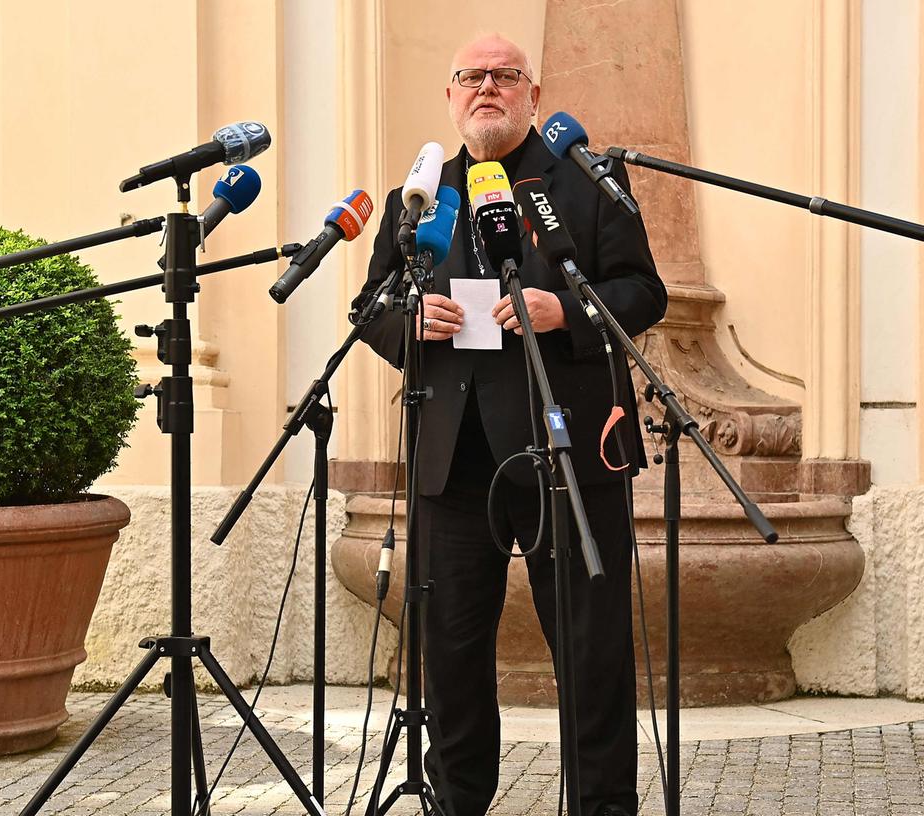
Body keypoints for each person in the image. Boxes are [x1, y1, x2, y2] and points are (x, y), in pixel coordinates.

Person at [355, 33, 666, 816]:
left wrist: (566, 310)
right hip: (452, 460)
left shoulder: (587, 182)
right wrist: (410, 319)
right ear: (451, 96)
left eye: (504, 76)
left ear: (532, 92)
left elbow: (643, 292)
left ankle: (602, 807)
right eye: (470, 77)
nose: (485, 88)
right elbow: (371, 309)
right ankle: (458, 801)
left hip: (567, 452)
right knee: (451, 653)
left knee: (591, 651)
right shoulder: (419, 197)